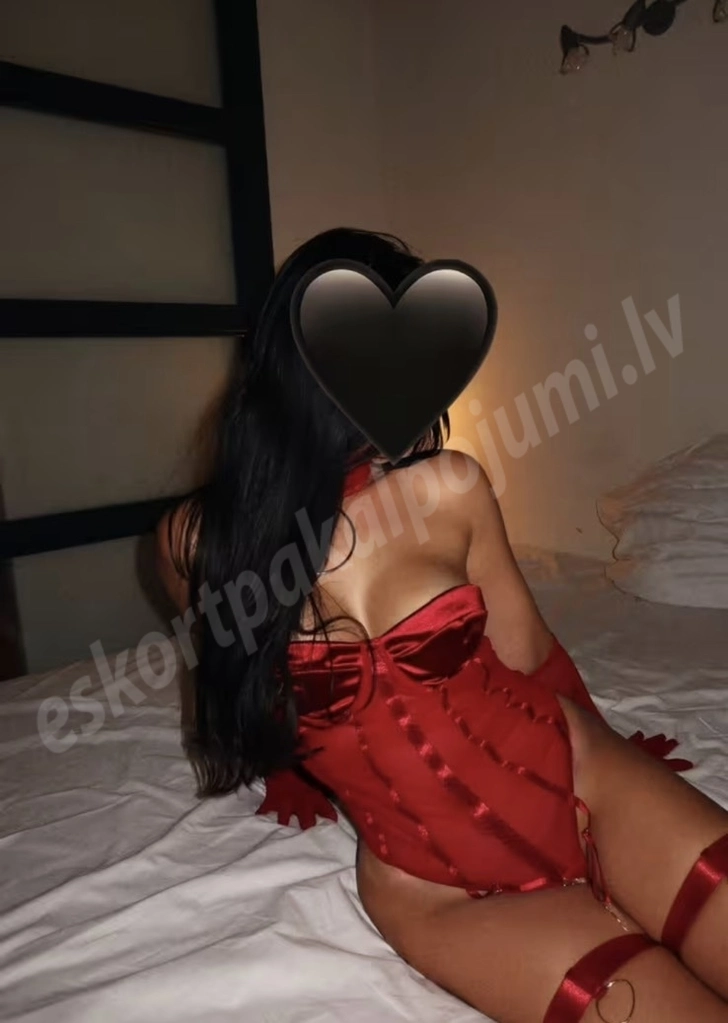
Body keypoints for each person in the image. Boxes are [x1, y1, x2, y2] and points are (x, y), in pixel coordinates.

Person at [156, 228, 728, 1023]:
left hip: (584, 779)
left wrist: (613, 744)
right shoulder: (195, 543)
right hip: (433, 891)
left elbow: (528, 651)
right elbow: (235, 676)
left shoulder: (450, 486)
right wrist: (286, 766)